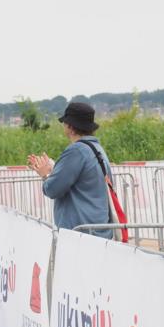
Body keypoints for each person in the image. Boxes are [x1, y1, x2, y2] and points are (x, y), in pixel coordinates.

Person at [27, 102, 114, 239]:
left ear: (71, 127)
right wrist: (54, 168)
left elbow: (52, 189)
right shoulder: (97, 149)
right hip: (99, 231)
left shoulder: (76, 151)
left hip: (80, 235)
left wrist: (45, 175)